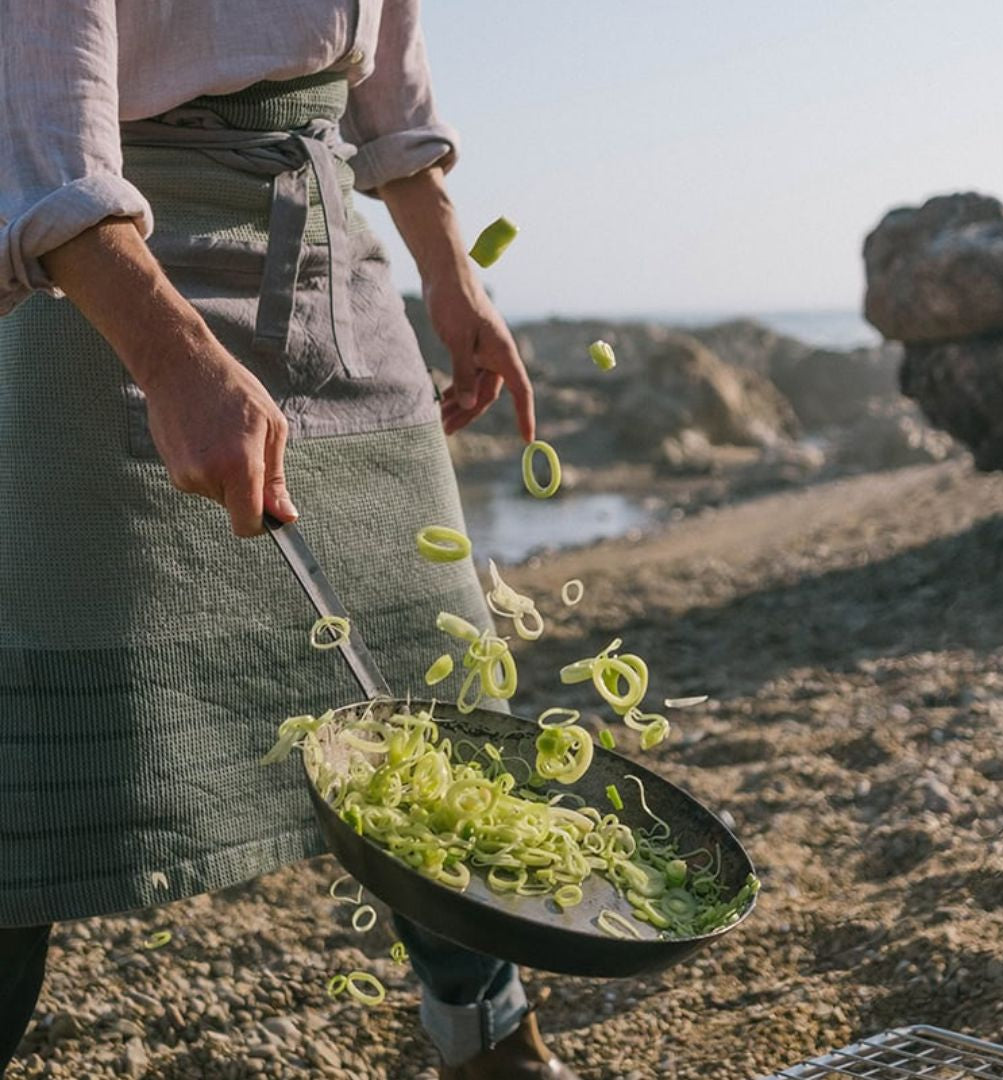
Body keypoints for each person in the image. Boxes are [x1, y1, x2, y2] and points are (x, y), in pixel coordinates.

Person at [0, 4, 581, 1077]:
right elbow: (38, 119)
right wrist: (172, 363)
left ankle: (486, 1032)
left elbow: (387, 63)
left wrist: (452, 270)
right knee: (28, 754)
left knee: (435, 696)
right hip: (100, 277)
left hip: (324, 258)